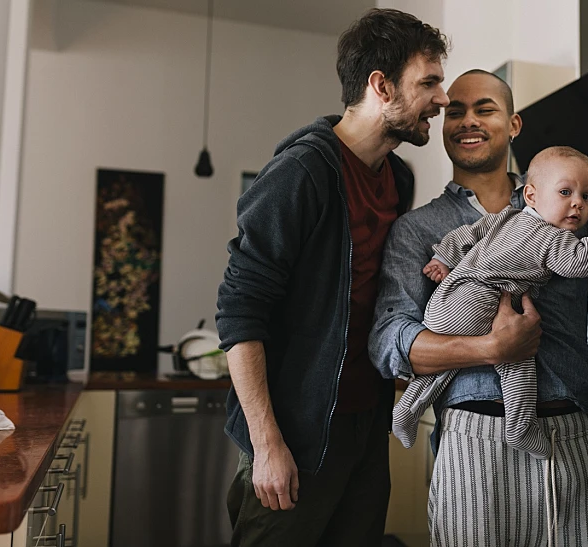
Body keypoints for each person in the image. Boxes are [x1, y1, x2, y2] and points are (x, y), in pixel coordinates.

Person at [369, 69, 588, 546]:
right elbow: (388, 341)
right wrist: (489, 348)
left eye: (485, 109)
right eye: (454, 111)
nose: (467, 121)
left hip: (577, 432)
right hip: (473, 438)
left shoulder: (573, 201)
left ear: (514, 125)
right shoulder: (419, 229)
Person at [214, 9, 453, 546]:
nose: (442, 98)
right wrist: (268, 443)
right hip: (296, 432)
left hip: (366, 425)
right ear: (381, 86)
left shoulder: (398, 177)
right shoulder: (302, 172)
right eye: (429, 82)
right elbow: (238, 313)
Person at [391, 146, 588, 457]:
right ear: (531, 196)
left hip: (447, 302)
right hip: (481, 302)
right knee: (517, 354)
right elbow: (584, 260)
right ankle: (520, 426)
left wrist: (445, 257)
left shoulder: (505, 218)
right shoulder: (553, 239)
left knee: (443, 370)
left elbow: (467, 233)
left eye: (587, 197)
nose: (577, 203)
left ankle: (407, 410)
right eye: (565, 192)